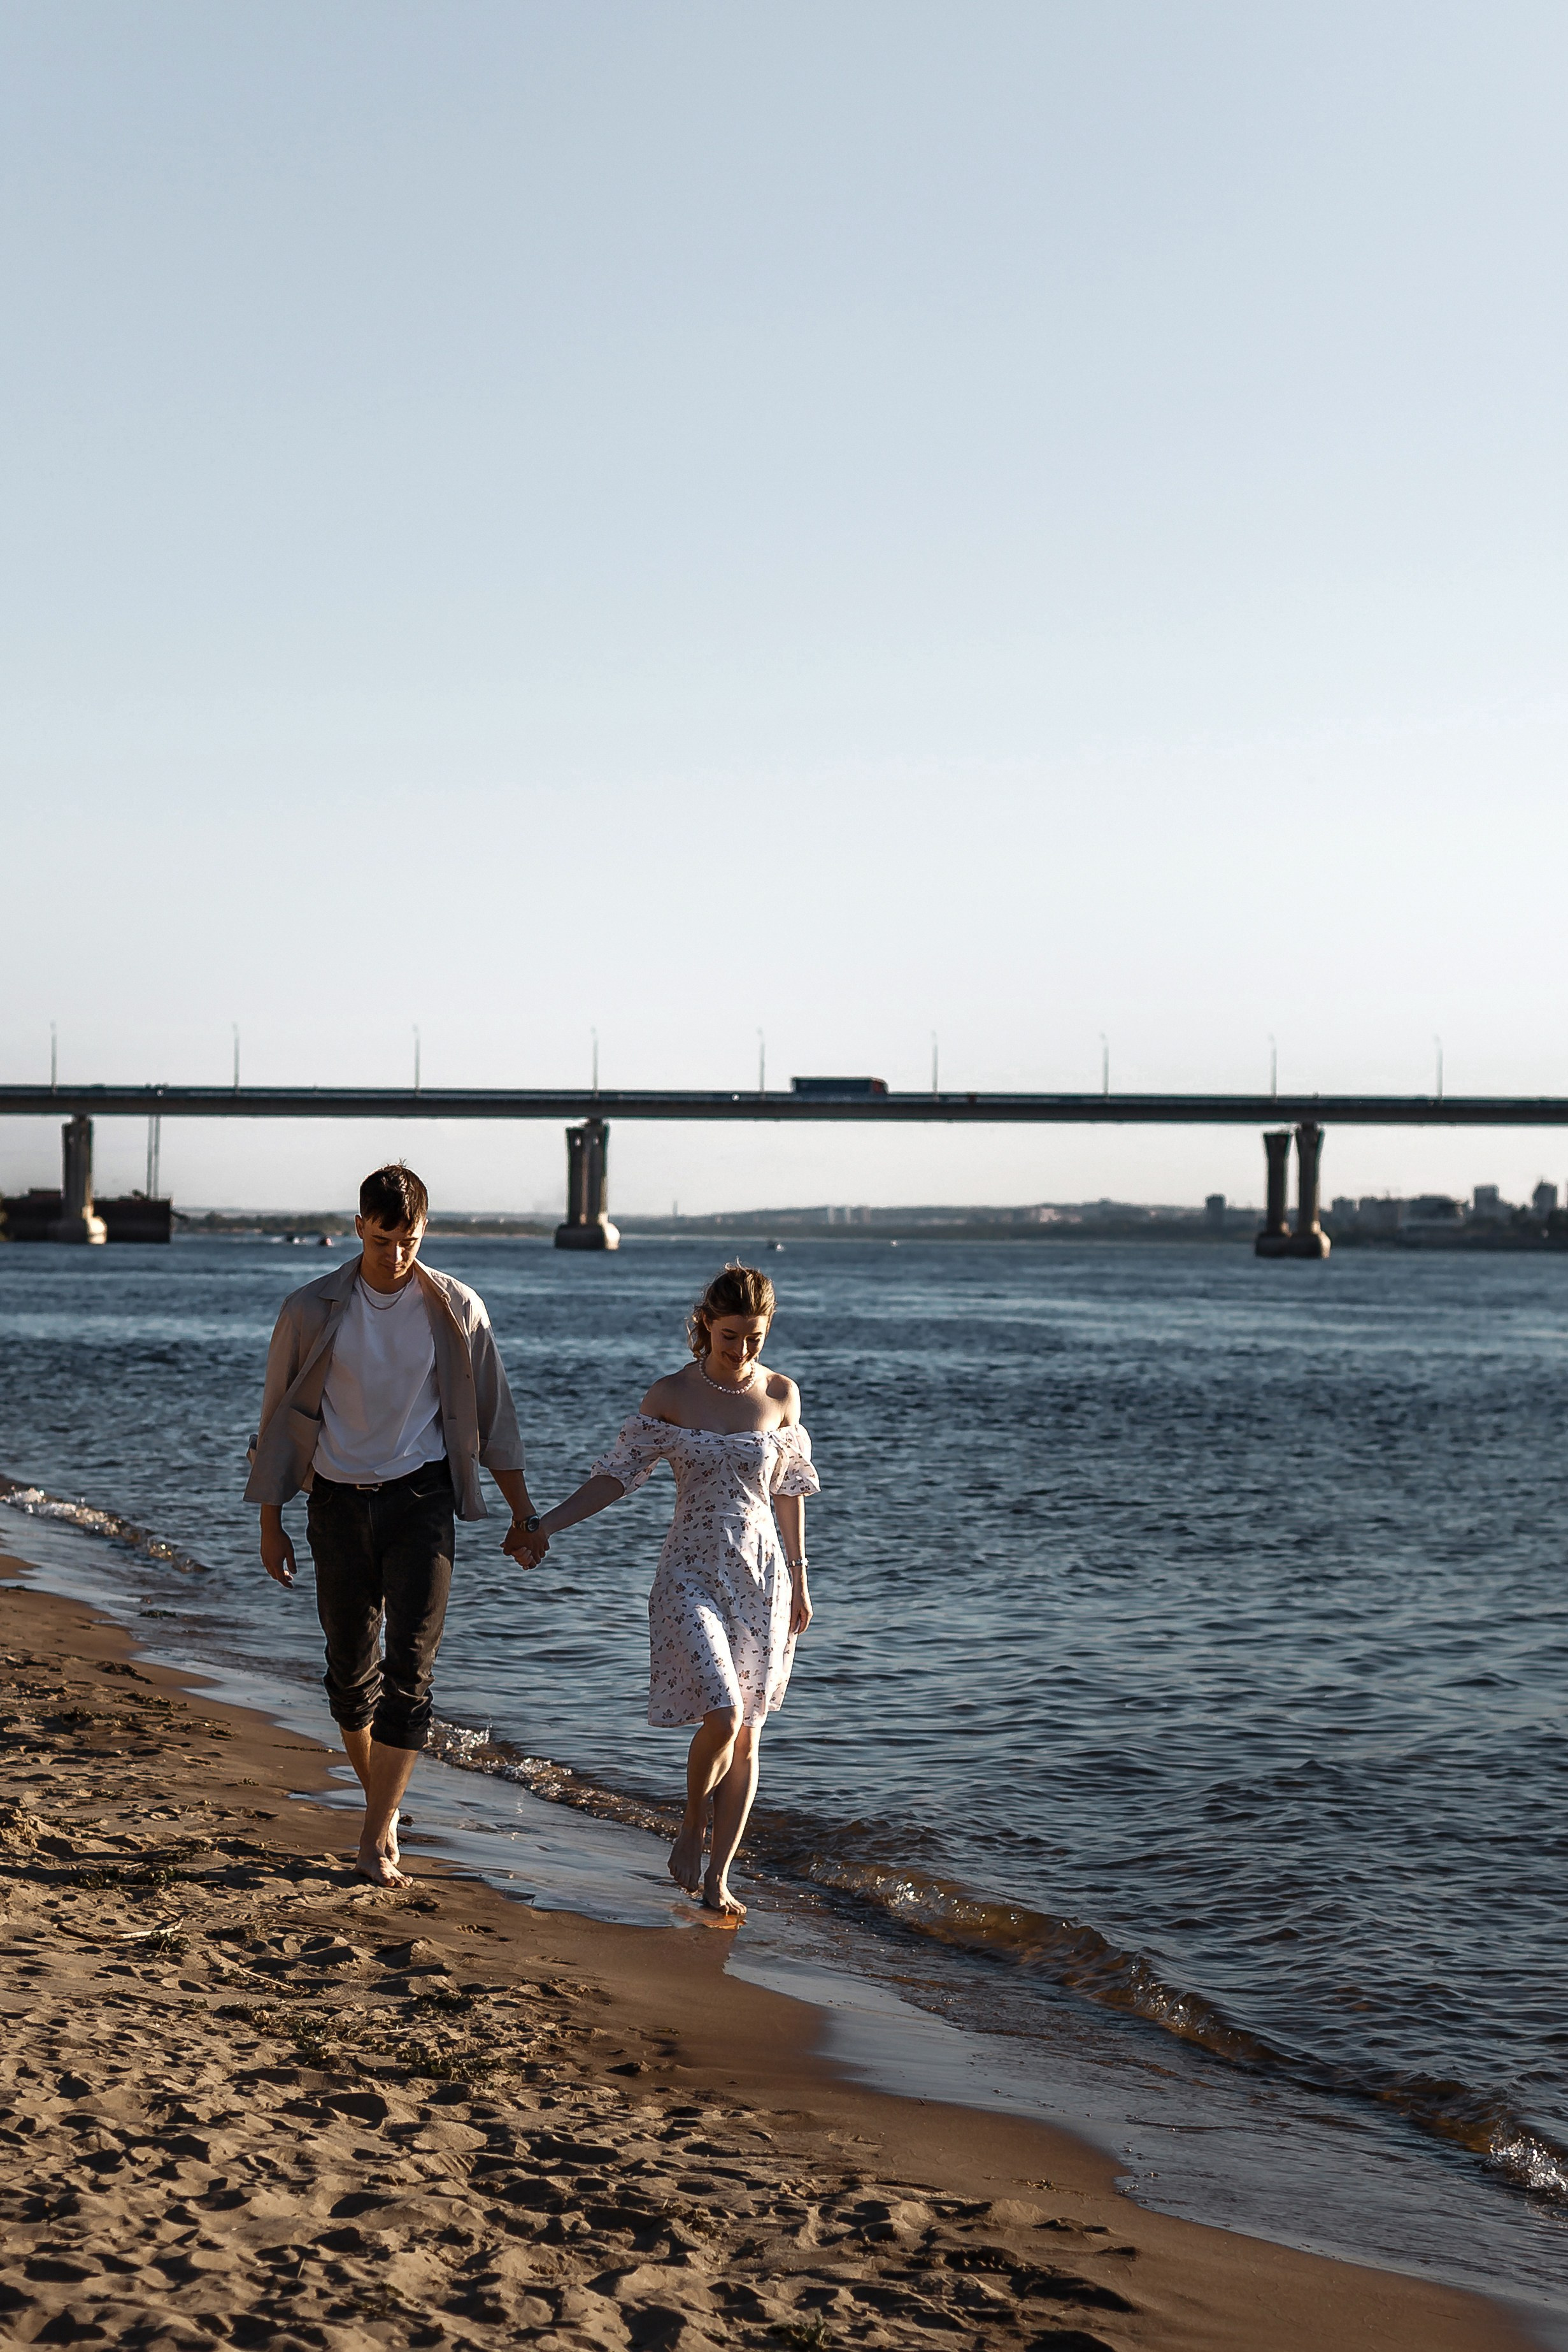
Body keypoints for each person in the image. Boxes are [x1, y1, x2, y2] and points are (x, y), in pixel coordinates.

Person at [245, 1161, 547, 1886]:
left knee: (409, 1673)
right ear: (358, 1227)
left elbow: (495, 1420)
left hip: (422, 1501)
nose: (397, 1254)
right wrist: (270, 1522)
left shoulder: (457, 1308)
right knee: (350, 1676)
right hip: (336, 1504)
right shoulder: (311, 1308)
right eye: (383, 1239)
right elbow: (277, 1420)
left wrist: (523, 1511)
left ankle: (376, 1830)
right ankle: (383, 1801)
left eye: (409, 1239)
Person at [523, 1264, 817, 1919]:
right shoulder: (669, 1395)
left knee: (747, 1738)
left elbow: (790, 1491)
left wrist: (800, 1578)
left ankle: (718, 1876)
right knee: (724, 1711)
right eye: (729, 1336)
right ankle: (689, 1823)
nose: (741, 1350)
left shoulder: (780, 1395)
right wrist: (545, 1523)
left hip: (762, 1581)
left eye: (754, 1337)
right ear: (705, 1325)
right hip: (687, 1573)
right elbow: (614, 1477)